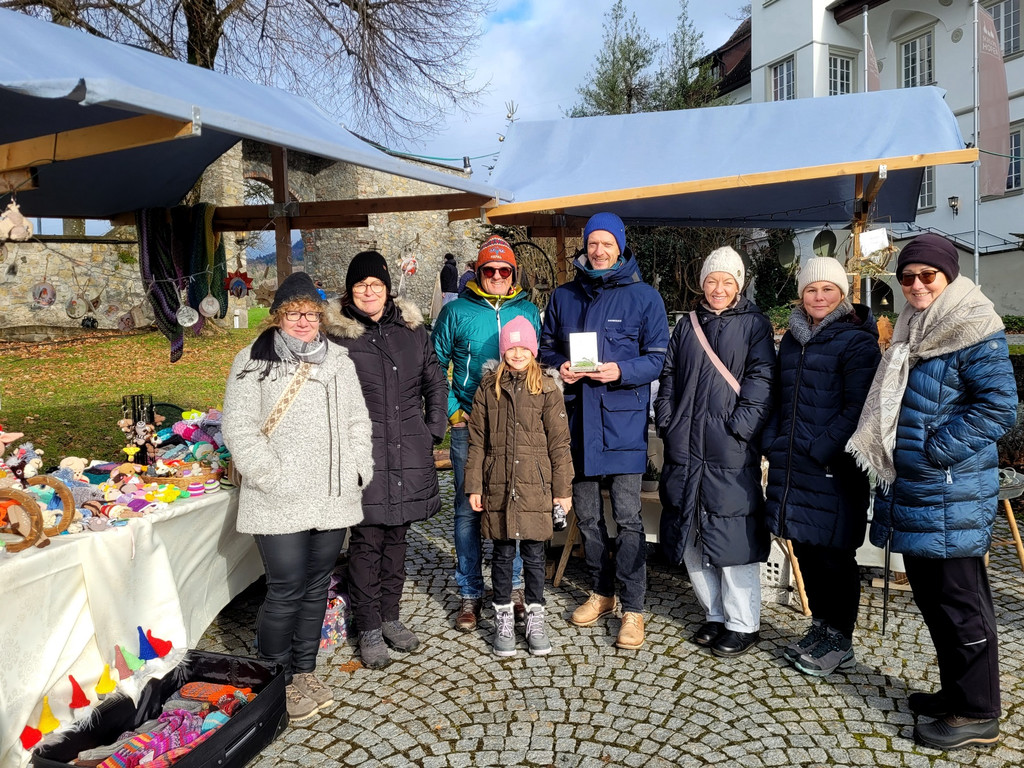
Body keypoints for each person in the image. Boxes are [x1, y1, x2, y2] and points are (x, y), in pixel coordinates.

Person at [848, 234, 1016, 750]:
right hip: (919, 491)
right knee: (934, 601)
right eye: (908, 277)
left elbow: (1000, 408)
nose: (917, 285)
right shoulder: (916, 326)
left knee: (960, 603)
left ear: (948, 277)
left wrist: (935, 449)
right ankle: (956, 692)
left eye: (928, 276)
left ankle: (979, 712)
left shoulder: (972, 328)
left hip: (950, 492)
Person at [222, 271, 373, 723]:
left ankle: (303, 672)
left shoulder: (340, 362)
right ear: (278, 317)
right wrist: (269, 475)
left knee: (314, 588)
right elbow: (239, 427)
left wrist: (358, 469)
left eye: (311, 313)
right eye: (294, 312)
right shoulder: (252, 360)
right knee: (285, 589)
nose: (304, 320)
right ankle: (274, 681)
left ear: (322, 317)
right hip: (278, 497)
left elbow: (358, 421)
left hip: (332, 495)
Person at [539, 212, 669, 650]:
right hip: (577, 423)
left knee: (629, 517)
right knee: (589, 517)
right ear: (585, 247)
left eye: (606, 243)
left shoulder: (645, 298)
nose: (598, 250)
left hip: (623, 424)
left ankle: (633, 607)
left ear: (620, 246)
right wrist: (559, 366)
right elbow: (546, 345)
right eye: (592, 243)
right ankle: (602, 591)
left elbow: (657, 357)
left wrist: (620, 370)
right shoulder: (564, 295)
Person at [325, 251, 448, 670]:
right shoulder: (338, 336)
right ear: (350, 291)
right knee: (367, 540)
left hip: (408, 447)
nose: (369, 292)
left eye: (375, 285)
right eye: (361, 286)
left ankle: (392, 616)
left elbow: (435, 379)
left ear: (387, 288)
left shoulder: (412, 331)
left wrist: (433, 429)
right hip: (364, 451)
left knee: (398, 537)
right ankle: (370, 625)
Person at [762, 256, 881, 676]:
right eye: (811, 289)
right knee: (807, 548)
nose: (818, 296)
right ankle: (821, 626)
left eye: (827, 289)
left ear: (842, 294)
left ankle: (841, 640)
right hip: (795, 464)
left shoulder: (857, 341)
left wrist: (820, 447)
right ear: (801, 294)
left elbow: (859, 408)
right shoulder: (793, 339)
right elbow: (780, 395)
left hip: (832, 467)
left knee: (835, 555)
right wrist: (774, 441)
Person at [655, 246, 775, 658]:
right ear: (701, 283)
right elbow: (668, 375)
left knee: (732, 533)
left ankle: (745, 623)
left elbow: (762, 379)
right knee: (692, 528)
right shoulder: (687, 325)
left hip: (729, 447)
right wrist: (667, 420)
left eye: (727, 281)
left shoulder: (754, 324)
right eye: (712, 280)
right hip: (686, 444)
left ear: (739, 284)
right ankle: (716, 615)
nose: (719, 288)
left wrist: (739, 429)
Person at [432, 236, 541, 632]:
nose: (496, 276)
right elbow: (432, 366)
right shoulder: (457, 311)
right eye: (489, 270)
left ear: (514, 274)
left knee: (511, 505)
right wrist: (453, 413)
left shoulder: (529, 311)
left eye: (504, 270)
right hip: (471, 426)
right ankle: (470, 592)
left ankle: (511, 588)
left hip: (516, 426)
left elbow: (537, 366)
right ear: (477, 273)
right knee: (468, 509)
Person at [465, 316, 573, 657]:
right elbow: (477, 442)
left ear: (533, 349)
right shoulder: (488, 388)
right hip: (498, 484)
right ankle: (504, 620)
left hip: (536, 487)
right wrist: (474, 486)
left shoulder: (548, 388)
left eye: (523, 347)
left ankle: (536, 618)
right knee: (502, 555)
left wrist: (562, 490)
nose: (517, 353)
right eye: (511, 347)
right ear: (503, 350)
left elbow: (559, 443)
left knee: (535, 556)